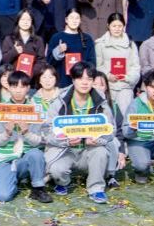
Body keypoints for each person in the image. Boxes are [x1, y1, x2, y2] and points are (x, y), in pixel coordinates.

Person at [45, 62, 114, 204]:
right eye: (80, 78)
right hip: (65, 150)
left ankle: (96, 188)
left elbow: (111, 129)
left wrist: (97, 139)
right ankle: (63, 182)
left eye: (89, 79)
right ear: (73, 79)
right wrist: (66, 141)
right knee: (57, 169)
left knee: (100, 151)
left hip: (89, 149)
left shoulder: (100, 101)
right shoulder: (59, 101)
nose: (85, 82)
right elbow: (47, 131)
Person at [0, 71, 53, 203]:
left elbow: (37, 143)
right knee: (2, 196)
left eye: (22, 86)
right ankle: (13, 180)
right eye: (14, 86)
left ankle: (38, 188)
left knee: (36, 154)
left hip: (27, 157)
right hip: (6, 159)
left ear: (28, 88)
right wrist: (7, 133)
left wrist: (26, 132)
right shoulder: (1, 109)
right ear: (8, 87)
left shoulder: (35, 110)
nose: (18, 90)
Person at [95, 12, 141, 107]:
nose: (117, 29)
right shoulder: (100, 44)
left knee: (125, 112)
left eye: (120, 26)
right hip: (107, 86)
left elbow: (136, 66)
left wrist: (127, 77)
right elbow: (98, 66)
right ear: (108, 26)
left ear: (124, 26)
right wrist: (108, 76)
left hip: (125, 86)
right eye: (114, 26)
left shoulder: (131, 44)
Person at [46, 10, 96, 87]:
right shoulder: (56, 37)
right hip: (61, 82)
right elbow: (49, 63)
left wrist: (84, 74)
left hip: (81, 82)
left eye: (77, 18)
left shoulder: (87, 38)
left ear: (80, 20)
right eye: (71, 18)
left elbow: (92, 63)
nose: (74, 21)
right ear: (66, 20)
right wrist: (58, 51)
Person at [0, 9, 46, 78]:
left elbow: (41, 61)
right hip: (13, 78)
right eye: (23, 19)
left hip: (31, 78)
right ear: (18, 21)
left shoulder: (38, 40)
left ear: (32, 21)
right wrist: (14, 51)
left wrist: (31, 72)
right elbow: (3, 60)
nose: (25, 22)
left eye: (28, 19)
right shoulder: (9, 39)